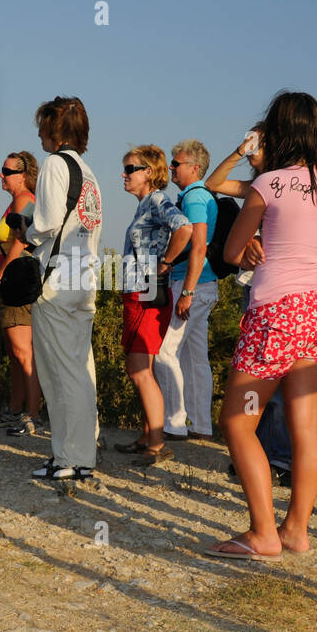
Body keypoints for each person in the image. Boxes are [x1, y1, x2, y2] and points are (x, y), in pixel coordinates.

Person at [208, 92, 317, 559]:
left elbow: (230, 252)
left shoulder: (269, 183)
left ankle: (263, 532)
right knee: (306, 425)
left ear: (278, 131)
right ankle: (296, 530)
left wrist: (246, 248)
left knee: (237, 420)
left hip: (276, 311)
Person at [23, 96, 103, 482]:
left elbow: (48, 222)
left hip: (56, 280)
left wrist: (27, 230)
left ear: (53, 129)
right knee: (80, 369)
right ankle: (84, 453)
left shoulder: (55, 165)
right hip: (84, 277)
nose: (38, 132)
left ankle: (67, 457)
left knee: (58, 372)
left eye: (42, 125)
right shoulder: (89, 173)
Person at [208, 127, 293, 483]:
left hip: (279, 289)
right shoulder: (256, 186)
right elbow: (214, 183)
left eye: (259, 140)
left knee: (276, 385)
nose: (253, 145)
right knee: (254, 380)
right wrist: (239, 152)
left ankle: (281, 459)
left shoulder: (284, 184)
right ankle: (256, 455)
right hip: (253, 286)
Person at [113, 145, 192, 465]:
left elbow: (185, 228)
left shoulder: (158, 200)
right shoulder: (144, 204)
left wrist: (166, 263)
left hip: (147, 292)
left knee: (139, 369)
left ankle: (158, 444)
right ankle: (148, 434)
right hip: (138, 291)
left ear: (149, 172)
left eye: (130, 169)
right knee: (140, 369)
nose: (124, 175)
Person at [154, 140, 219, 441]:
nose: (171, 168)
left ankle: (174, 424)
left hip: (191, 282)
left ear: (194, 168)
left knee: (166, 352)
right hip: (205, 283)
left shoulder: (193, 197)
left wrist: (187, 291)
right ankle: (201, 426)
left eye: (176, 164)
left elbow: (198, 243)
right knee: (195, 357)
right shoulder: (203, 195)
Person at [0, 151, 42, 437]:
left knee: (24, 352)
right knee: (15, 352)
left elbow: (21, 241)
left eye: (7, 171)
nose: (1, 175)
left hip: (18, 282)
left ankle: (31, 415)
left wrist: (2, 271)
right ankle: (15, 409)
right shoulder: (16, 201)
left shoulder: (25, 200)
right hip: (13, 282)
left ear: (23, 175)